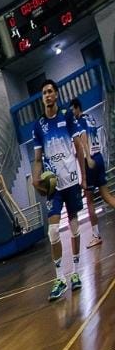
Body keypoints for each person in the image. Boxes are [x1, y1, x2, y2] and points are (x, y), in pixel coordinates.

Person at [33, 80, 90, 301]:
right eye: (44, 93)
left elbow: (78, 148)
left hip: (72, 181)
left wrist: (83, 178)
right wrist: (35, 178)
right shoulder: (39, 126)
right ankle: (59, 279)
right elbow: (38, 159)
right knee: (53, 231)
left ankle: (75, 273)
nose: (47, 95)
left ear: (56, 95)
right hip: (54, 185)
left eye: (50, 91)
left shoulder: (67, 117)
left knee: (74, 227)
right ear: (42, 98)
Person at [70, 99, 107, 245]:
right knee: (106, 195)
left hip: (90, 160)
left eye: (72, 110)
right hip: (99, 157)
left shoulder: (79, 122)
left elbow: (83, 142)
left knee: (89, 200)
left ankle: (96, 236)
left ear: (77, 108)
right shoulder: (90, 118)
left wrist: (85, 158)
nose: (72, 113)